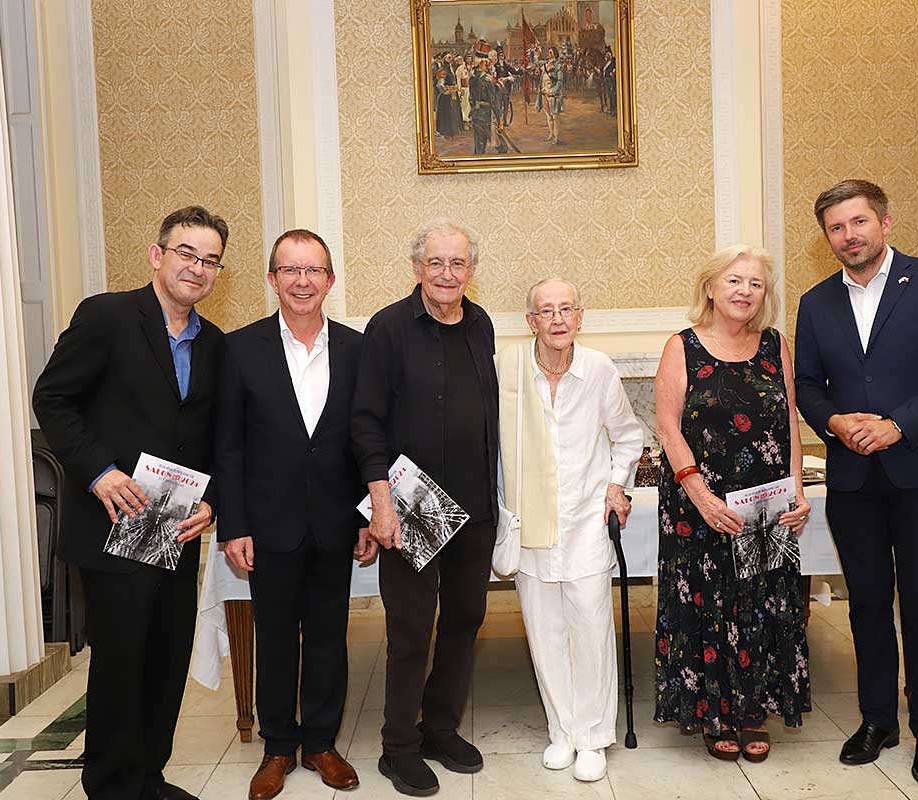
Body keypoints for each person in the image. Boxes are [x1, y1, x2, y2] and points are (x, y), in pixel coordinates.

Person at [795, 180, 918, 786]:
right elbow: (807, 386)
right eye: (836, 227)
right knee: (867, 605)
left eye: (858, 222)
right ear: (826, 238)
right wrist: (834, 422)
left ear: (884, 222)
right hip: (853, 477)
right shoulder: (816, 302)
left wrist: (898, 425)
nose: (848, 235)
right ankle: (877, 720)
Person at [32, 206, 228, 800]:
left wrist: (213, 501)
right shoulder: (107, 316)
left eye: (211, 260)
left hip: (175, 526)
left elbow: (213, 437)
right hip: (115, 519)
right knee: (121, 661)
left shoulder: (214, 344)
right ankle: (112, 785)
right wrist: (99, 473)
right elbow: (53, 398)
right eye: (187, 253)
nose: (197, 268)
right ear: (157, 255)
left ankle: (148, 777)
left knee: (166, 659)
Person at [213, 229, 375, 799]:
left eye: (313, 270)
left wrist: (367, 517)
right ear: (272, 279)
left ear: (330, 280)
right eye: (290, 270)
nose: (302, 281)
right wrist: (234, 525)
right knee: (276, 639)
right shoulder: (239, 349)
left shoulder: (358, 349)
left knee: (330, 637)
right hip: (267, 525)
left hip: (335, 522)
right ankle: (278, 747)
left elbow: (366, 440)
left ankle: (321, 744)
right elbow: (227, 446)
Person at [352, 221, 499, 797]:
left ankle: (439, 729)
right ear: (417, 268)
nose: (446, 273)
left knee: (465, 620)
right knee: (411, 629)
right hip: (411, 503)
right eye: (435, 262)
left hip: (474, 506)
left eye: (457, 263)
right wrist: (380, 503)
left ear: (471, 270)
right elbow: (366, 421)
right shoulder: (387, 328)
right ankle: (398, 747)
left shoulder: (481, 324)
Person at [652, 244, 812, 764]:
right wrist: (701, 497)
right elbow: (668, 428)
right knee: (709, 603)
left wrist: (797, 490)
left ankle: (752, 710)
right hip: (700, 505)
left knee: (761, 601)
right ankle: (713, 712)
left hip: (765, 502)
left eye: (756, 284)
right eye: (734, 281)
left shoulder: (775, 345)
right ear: (711, 288)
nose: (745, 291)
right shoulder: (682, 346)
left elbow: (789, 422)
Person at [498, 279, 643, 782]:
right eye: (546, 311)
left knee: (591, 630)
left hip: (585, 522)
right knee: (544, 633)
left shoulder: (598, 369)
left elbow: (628, 436)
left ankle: (593, 736)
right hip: (529, 522)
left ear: (580, 317)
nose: (557, 319)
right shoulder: (508, 369)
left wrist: (617, 485)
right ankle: (562, 732)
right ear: (530, 321)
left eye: (566, 309)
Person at [538, 47, 564, 145]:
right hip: (544, 93)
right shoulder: (545, 64)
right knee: (548, 116)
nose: (549, 54)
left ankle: (556, 137)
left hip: (553, 94)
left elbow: (560, 82)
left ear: (555, 54)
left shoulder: (558, 66)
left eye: (551, 52)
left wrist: (553, 91)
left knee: (555, 117)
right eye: (548, 52)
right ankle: (551, 134)